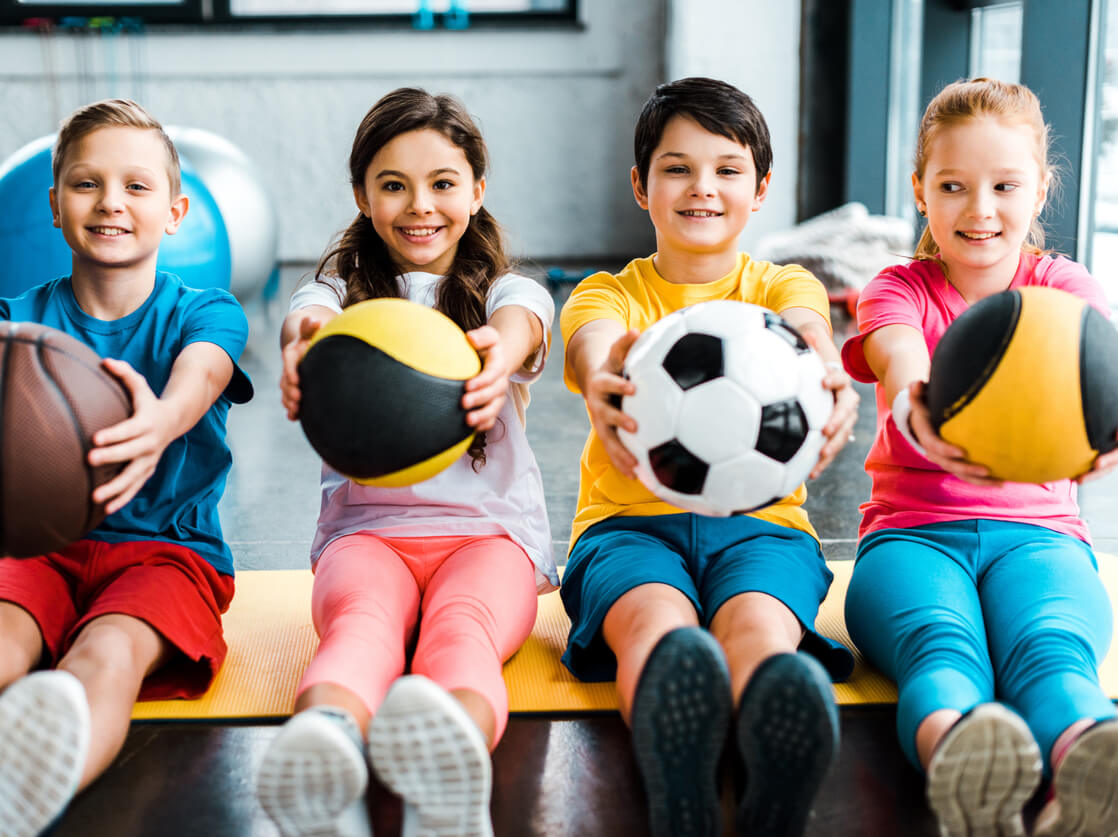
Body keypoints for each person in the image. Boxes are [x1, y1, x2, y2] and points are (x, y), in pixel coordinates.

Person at [0, 98, 253, 837]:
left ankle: (24, 793)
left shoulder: (208, 311)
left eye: (137, 187)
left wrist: (160, 421)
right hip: (36, 544)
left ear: (175, 212)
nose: (111, 201)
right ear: (52, 204)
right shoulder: (5, 330)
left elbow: (202, 375)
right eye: (87, 183)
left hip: (168, 556)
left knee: (110, 650)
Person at [559, 76, 860, 837]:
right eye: (677, 167)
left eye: (727, 169)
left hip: (762, 526)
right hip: (628, 529)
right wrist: (603, 375)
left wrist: (827, 371)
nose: (703, 188)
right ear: (641, 185)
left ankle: (771, 748)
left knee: (758, 626)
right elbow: (592, 341)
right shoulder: (608, 294)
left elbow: (809, 327)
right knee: (656, 627)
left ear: (760, 190)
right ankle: (680, 773)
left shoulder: (781, 285)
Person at [257, 87, 556, 837]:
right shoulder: (336, 292)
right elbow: (308, 315)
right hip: (368, 536)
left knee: (463, 631)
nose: (420, 205)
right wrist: (305, 343)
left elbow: (529, 317)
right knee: (360, 628)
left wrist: (503, 348)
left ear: (478, 189)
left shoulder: (502, 293)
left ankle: (450, 771)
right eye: (393, 185)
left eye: (444, 184)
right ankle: (323, 756)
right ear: (361, 195)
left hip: (490, 541)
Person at [841, 77, 1118, 836]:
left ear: (1041, 188)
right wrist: (916, 399)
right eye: (954, 185)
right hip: (910, 538)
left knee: (1052, 652)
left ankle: (1091, 757)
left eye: (1004, 185)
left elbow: (1108, 381)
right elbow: (897, 355)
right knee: (942, 648)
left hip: (1043, 539)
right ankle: (964, 759)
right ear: (920, 191)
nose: (980, 208)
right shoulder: (899, 287)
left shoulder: (1065, 290)